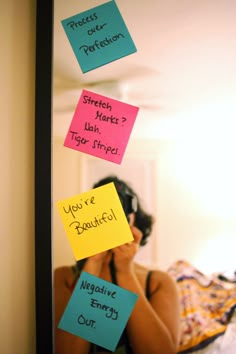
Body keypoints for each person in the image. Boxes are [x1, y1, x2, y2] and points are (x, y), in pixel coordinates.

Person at [54, 175, 181, 354]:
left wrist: (125, 271)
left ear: (133, 219)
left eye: (120, 209)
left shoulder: (159, 282)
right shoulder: (64, 277)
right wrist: (93, 263)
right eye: (104, 212)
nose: (110, 219)